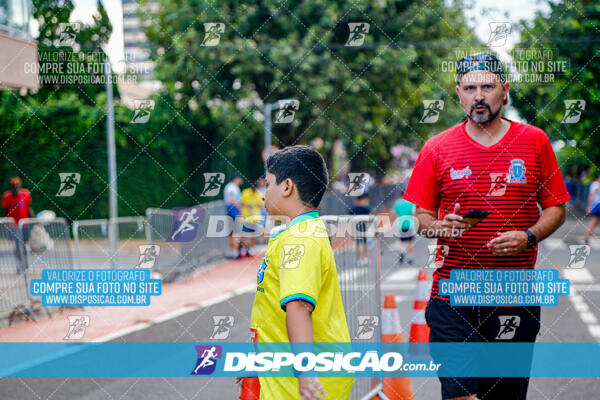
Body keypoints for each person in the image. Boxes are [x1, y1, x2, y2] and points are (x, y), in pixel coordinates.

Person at [404, 53, 570, 400]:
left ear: (504, 92)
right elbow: (419, 218)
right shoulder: (437, 148)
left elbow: (556, 208)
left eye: (487, 86)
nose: (478, 95)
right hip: (452, 296)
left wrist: (529, 236)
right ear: (459, 94)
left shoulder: (534, 141)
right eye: (469, 88)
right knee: (459, 393)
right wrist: (440, 227)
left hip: (513, 295)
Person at [245, 145, 353, 399]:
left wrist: (305, 373)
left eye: (268, 184)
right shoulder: (298, 233)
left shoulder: (300, 240)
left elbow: (298, 307)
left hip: (303, 381)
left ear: (287, 186)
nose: (263, 194)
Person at [2, 177, 34, 265]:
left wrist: (34, 218)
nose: (15, 187)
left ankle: (25, 261)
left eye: (17, 185)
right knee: (17, 245)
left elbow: (28, 208)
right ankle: (20, 263)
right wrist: (5, 223)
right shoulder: (7, 196)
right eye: (13, 186)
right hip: (13, 225)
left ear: (20, 185)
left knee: (24, 245)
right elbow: (6, 211)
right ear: (11, 186)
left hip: (24, 224)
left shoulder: (25, 194)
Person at [240, 183, 264, 257]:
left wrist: (254, 205)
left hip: (254, 218)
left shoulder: (258, 194)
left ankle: (251, 249)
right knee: (244, 234)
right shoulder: (245, 192)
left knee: (253, 234)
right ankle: (243, 249)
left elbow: (261, 205)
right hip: (246, 217)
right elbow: (241, 203)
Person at [392, 194, 416, 265]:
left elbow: (393, 213)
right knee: (410, 242)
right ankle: (409, 257)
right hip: (410, 225)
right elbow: (414, 213)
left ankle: (402, 252)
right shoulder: (411, 203)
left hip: (401, 225)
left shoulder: (398, 203)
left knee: (403, 241)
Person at [223, 173, 243, 259]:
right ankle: (235, 252)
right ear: (236, 179)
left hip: (229, 211)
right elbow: (232, 199)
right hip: (234, 211)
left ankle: (231, 251)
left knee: (230, 233)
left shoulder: (229, 186)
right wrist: (239, 208)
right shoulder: (232, 187)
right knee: (236, 232)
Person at [349, 193, 371, 265]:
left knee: (358, 244)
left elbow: (350, 220)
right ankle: (365, 258)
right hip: (363, 227)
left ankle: (359, 259)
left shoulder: (352, 209)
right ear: (362, 200)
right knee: (364, 243)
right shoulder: (365, 208)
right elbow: (369, 217)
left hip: (355, 227)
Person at [582, 174, 600, 245]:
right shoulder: (596, 184)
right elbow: (591, 195)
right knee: (593, 222)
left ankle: (586, 239)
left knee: (594, 222)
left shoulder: (594, 184)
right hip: (597, 206)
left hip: (596, 205)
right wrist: (589, 206)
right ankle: (586, 239)